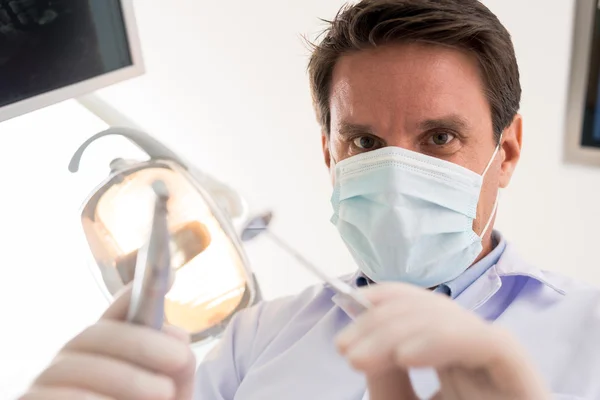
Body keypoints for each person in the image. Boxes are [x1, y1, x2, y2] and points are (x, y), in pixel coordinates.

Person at [20, 1, 600, 399]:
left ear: (510, 150)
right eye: (366, 142)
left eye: (440, 138)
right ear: (330, 154)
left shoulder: (589, 332)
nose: (399, 172)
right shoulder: (256, 340)